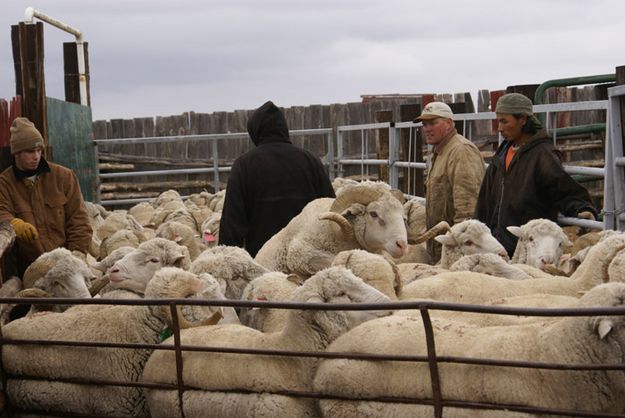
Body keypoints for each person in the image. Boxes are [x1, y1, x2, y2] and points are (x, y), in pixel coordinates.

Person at [475, 93, 597, 257]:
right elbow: (484, 200)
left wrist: (581, 208)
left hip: (528, 249)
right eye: (498, 121)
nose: (499, 128)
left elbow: (561, 187)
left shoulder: (542, 154)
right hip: (497, 248)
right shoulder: (502, 154)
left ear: (523, 119)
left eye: (504, 121)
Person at [219, 100, 335, 257]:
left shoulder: (244, 166)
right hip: (308, 257)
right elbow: (329, 208)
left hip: (264, 260)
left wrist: (224, 257)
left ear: (255, 130)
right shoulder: (310, 160)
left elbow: (232, 223)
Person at [0, 117, 92, 279]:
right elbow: (1, 211)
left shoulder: (64, 177)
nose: (36, 156)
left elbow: (78, 219)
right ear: (16, 153)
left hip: (65, 264)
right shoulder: (4, 183)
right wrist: (13, 223)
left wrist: (77, 253)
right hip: (27, 272)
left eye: (39, 150)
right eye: (29, 151)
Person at [415, 102, 486, 263]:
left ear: (448, 123)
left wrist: (459, 251)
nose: (427, 128)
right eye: (424, 124)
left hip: (456, 252)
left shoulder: (461, 151)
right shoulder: (440, 152)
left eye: (433, 123)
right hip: (442, 249)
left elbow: (468, 207)